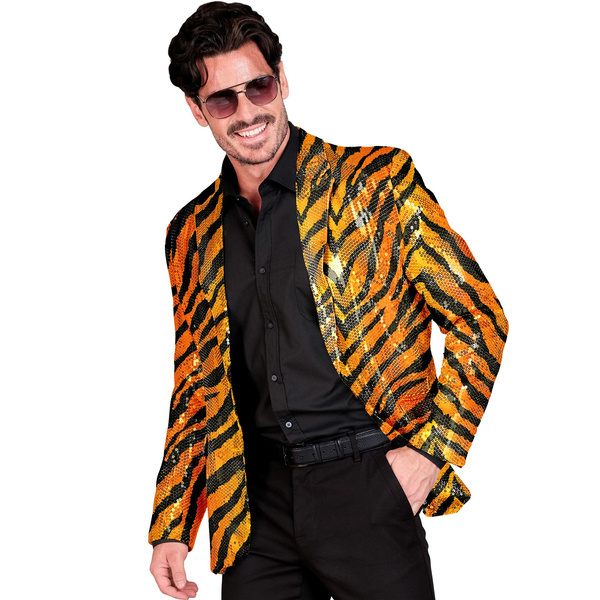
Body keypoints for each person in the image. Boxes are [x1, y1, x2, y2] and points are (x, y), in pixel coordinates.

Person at [148, 3, 508, 599]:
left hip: (368, 482)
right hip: (256, 507)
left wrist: (431, 453)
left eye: (258, 87)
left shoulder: (375, 184)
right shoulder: (191, 233)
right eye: (223, 100)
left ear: (282, 80)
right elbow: (195, 383)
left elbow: (480, 319)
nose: (248, 111)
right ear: (196, 110)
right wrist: (173, 523)